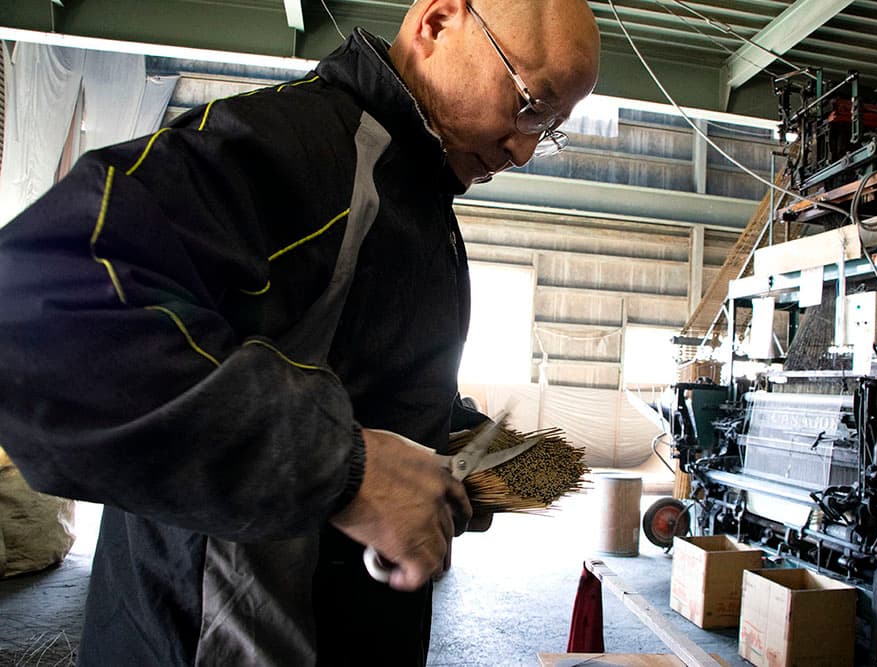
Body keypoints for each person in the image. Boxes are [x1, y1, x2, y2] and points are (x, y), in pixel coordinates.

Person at [0, 0, 600, 664]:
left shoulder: (418, 203)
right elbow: (35, 309)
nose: (524, 149)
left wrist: (464, 452)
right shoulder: (299, 152)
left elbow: (342, 379)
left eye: (551, 130)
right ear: (435, 24)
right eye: (530, 105)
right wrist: (343, 470)